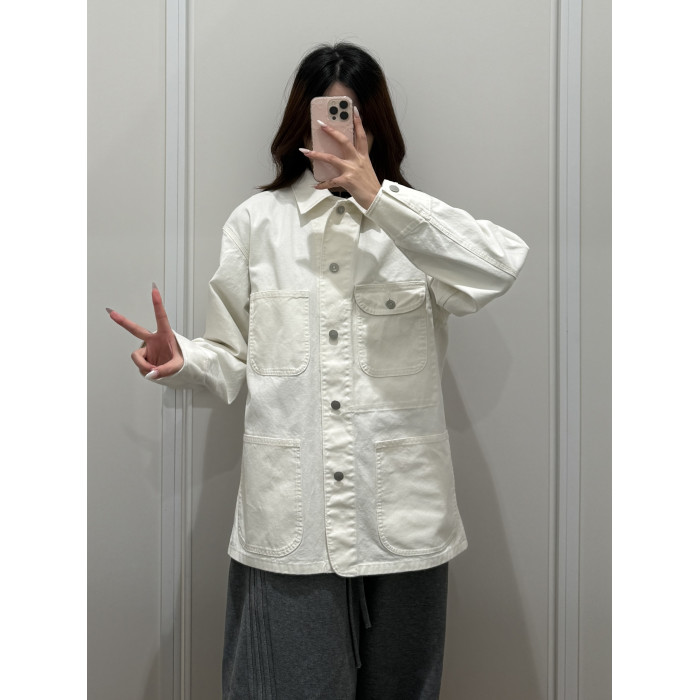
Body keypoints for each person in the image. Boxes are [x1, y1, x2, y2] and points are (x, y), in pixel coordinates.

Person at [108, 42, 528, 700]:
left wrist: (376, 195)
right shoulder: (257, 223)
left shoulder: (418, 227)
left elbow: (498, 266)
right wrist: (183, 360)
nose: (339, 132)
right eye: (327, 116)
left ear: (375, 125)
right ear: (300, 124)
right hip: (290, 517)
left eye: (352, 117)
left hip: (403, 516)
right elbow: (231, 359)